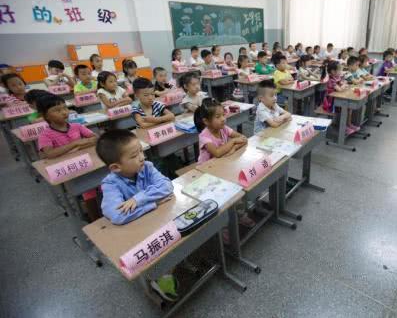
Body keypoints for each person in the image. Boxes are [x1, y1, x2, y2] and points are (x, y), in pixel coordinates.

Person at [96, 131, 177, 301]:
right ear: (116, 167)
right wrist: (153, 203)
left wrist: (138, 199)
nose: (142, 157)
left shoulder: (147, 166)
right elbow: (117, 215)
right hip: (135, 232)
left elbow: (167, 186)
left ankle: (167, 268)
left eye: (141, 150)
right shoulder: (110, 183)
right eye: (134, 155)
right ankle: (156, 276)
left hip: (157, 220)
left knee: (175, 240)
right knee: (158, 250)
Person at [194, 98, 255, 236]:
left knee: (238, 190)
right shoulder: (204, 136)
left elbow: (243, 138)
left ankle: (240, 215)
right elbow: (217, 152)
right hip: (206, 173)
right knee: (219, 200)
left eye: (223, 115)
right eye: (218, 117)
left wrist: (231, 149)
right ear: (206, 121)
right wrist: (232, 143)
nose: (223, 119)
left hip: (223, 166)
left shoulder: (224, 129)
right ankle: (223, 229)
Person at [37, 93, 99, 219]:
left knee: (104, 182)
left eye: (65, 108)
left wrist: (79, 146)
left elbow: (94, 138)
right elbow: (49, 153)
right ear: (45, 116)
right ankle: (95, 218)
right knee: (88, 191)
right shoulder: (45, 134)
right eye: (57, 110)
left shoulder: (76, 126)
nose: (64, 112)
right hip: (71, 169)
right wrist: (75, 144)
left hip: (86, 163)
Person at [322, 61, 359, 135]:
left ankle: (348, 124)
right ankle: (344, 127)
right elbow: (340, 89)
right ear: (333, 71)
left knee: (349, 108)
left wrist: (344, 84)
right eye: (339, 70)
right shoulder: (331, 80)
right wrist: (343, 85)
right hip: (330, 102)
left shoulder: (337, 77)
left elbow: (343, 84)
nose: (341, 72)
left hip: (338, 98)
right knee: (345, 108)